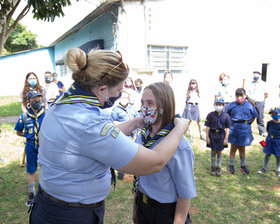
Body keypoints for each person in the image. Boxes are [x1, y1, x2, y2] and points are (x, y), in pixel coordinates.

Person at [29, 48, 189, 224]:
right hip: (71, 216)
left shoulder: (63, 106)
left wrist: (136, 123)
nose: (118, 96)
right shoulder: (89, 123)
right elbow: (155, 161)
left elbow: (94, 143)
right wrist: (179, 129)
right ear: (102, 89)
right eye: (118, 90)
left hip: (50, 206)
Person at [132, 82, 196, 224]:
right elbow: (140, 177)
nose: (144, 108)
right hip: (143, 205)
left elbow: (184, 194)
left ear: (163, 107)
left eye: (150, 103)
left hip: (165, 213)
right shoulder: (143, 136)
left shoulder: (179, 145)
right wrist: (136, 209)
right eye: (142, 102)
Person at [14, 90, 45, 207]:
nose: (38, 102)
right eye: (35, 100)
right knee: (31, 169)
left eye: (40, 99)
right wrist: (28, 136)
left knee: (45, 167)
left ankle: (44, 190)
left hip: (43, 145)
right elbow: (18, 132)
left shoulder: (46, 114)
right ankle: (31, 193)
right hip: (31, 146)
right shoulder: (24, 116)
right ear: (29, 102)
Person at [226, 88, 258, 175]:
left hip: (245, 129)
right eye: (238, 96)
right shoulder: (231, 105)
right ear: (235, 96)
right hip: (234, 128)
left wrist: (248, 123)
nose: (240, 98)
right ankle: (231, 165)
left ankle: (242, 166)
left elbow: (254, 115)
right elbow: (227, 116)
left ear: (245, 96)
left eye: (241, 96)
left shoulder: (249, 105)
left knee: (242, 148)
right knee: (233, 148)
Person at [111, 89, 140, 180]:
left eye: (125, 97)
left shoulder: (132, 108)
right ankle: (119, 174)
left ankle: (131, 171)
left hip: (132, 136)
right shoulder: (116, 109)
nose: (124, 99)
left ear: (128, 98)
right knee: (120, 155)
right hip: (121, 136)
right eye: (122, 97)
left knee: (130, 154)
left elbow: (137, 118)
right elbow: (112, 122)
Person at [205, 97, 231, 176]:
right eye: (217, 104)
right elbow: (207, 127)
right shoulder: (210, 115)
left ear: (223, 106)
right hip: (212, 135)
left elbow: (227, 128)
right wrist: (207, 137)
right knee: (213, 150)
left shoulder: (226, 116)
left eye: (220, 104)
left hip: (221, 136)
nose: (218, 106)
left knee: (219, 151)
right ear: (214, 105)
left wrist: (226, 138)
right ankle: (212, 166)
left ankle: (218, 167)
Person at [258, 107, 280, 177]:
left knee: (278, 156)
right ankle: (264, 168)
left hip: (278, 141)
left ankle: (278, 170)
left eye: (275, 113)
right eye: (272, 114)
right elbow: (268, 130)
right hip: (270, 140)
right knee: (267, 154)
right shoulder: (269, 123)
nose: (274, 115)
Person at [246, 71, 269, 136]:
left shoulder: (264, 84)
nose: (255, 76)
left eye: (256, 75)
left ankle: (262, 131)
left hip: (260, 102)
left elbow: (266, 94)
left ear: (259, 75)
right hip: (250, 102)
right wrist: (250, 100)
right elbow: (246, 94)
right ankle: (247, 129)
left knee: (260, 117)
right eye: (254, 75)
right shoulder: (249, 83)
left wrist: (261, 100)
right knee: (249, 116)